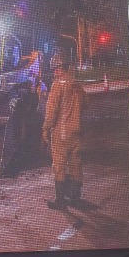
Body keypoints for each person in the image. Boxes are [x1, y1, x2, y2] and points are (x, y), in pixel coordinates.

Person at [42, 54, 86, 210]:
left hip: (61, 133)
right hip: (77, 131)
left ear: (60, 69)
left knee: (59, 165)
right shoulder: (77, 85)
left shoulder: (58, 85)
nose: (54, 73)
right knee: (76, 165)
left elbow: (51, 111)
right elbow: (85, 105)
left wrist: (46, 128)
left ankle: (60, 201)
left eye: (55, 70)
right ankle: (75, 198)